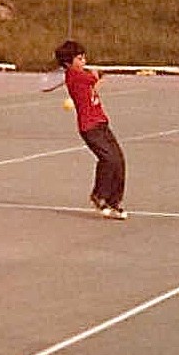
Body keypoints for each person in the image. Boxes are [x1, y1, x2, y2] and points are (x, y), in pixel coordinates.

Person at [55, 40, 128, 220]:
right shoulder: (74, 76)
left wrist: (97, 78)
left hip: (102, 123)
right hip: (89, 128)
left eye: (84, 57)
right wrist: (97, 75)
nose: (84, 61)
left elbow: (93, 86)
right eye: (79, 58)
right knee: (108, 159)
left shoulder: (81, 75)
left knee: (119, 160)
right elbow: (93, 78)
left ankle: (114, 201)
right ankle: (98, 195)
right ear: (68, 63)